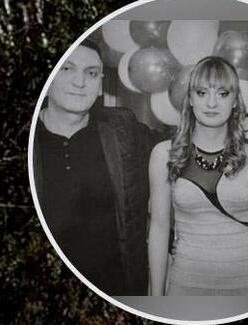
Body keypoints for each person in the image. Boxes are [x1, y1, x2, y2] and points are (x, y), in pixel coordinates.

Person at [32, 39, 159, 296]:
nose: (80, 82)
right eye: (67, 69)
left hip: (117, 298)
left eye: (91, 73)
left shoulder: (123, 128)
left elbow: (182, 146)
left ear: (100, 85)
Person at [148, 56, 248, 297]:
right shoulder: (164, 154)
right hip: (185, 286)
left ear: (235, 101)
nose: (211, 103)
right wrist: (155, 299)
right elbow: (158, 230)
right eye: (201, 93)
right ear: (190, 99)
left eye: (222, 93)